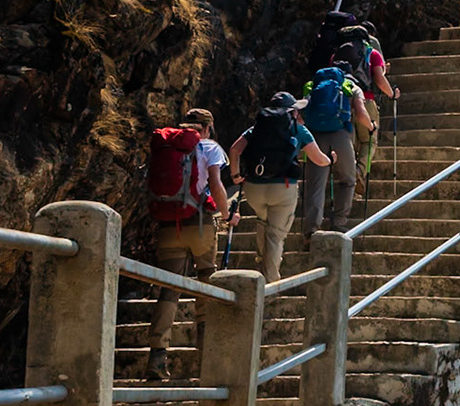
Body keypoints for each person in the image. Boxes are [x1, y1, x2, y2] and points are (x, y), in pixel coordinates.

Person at [142, 111, 232, 380]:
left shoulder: (166, 145)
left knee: (169, 289)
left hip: (168, 225)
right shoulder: (208, 146)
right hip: (200, 224)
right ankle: (206, 359)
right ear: (206, 128)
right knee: (206, 284)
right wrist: (227, 215)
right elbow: (215, 184)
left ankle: (157, 358)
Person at [228, 92, 332, 281]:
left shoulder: (256, 129)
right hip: (282, 188)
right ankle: (271, 281)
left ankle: (261, 262)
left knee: (263, 220)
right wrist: (331, 159)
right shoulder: (298, 129)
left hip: (253, 188)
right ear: (292, 112)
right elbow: (318, 159)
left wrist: (235, 176)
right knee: (275, 235)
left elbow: (235, 149)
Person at [299, 48, 374, 236]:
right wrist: (371, 126)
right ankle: (339, 222)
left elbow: (300, 114)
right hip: (341, 137)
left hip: (314, 137)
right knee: (348, 180)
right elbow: (361, 113)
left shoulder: (312, 86)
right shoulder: (351, 87)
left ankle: (311, 231)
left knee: (315, 184)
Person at [346, 21, 397, 178]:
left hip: (342, 103)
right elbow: (379, 79)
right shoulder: (372, 53)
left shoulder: (337, 54)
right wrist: (393, 94)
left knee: (349, 142)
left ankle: (346, 173)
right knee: (369, 141)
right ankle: (359, 171)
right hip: (366, 100)